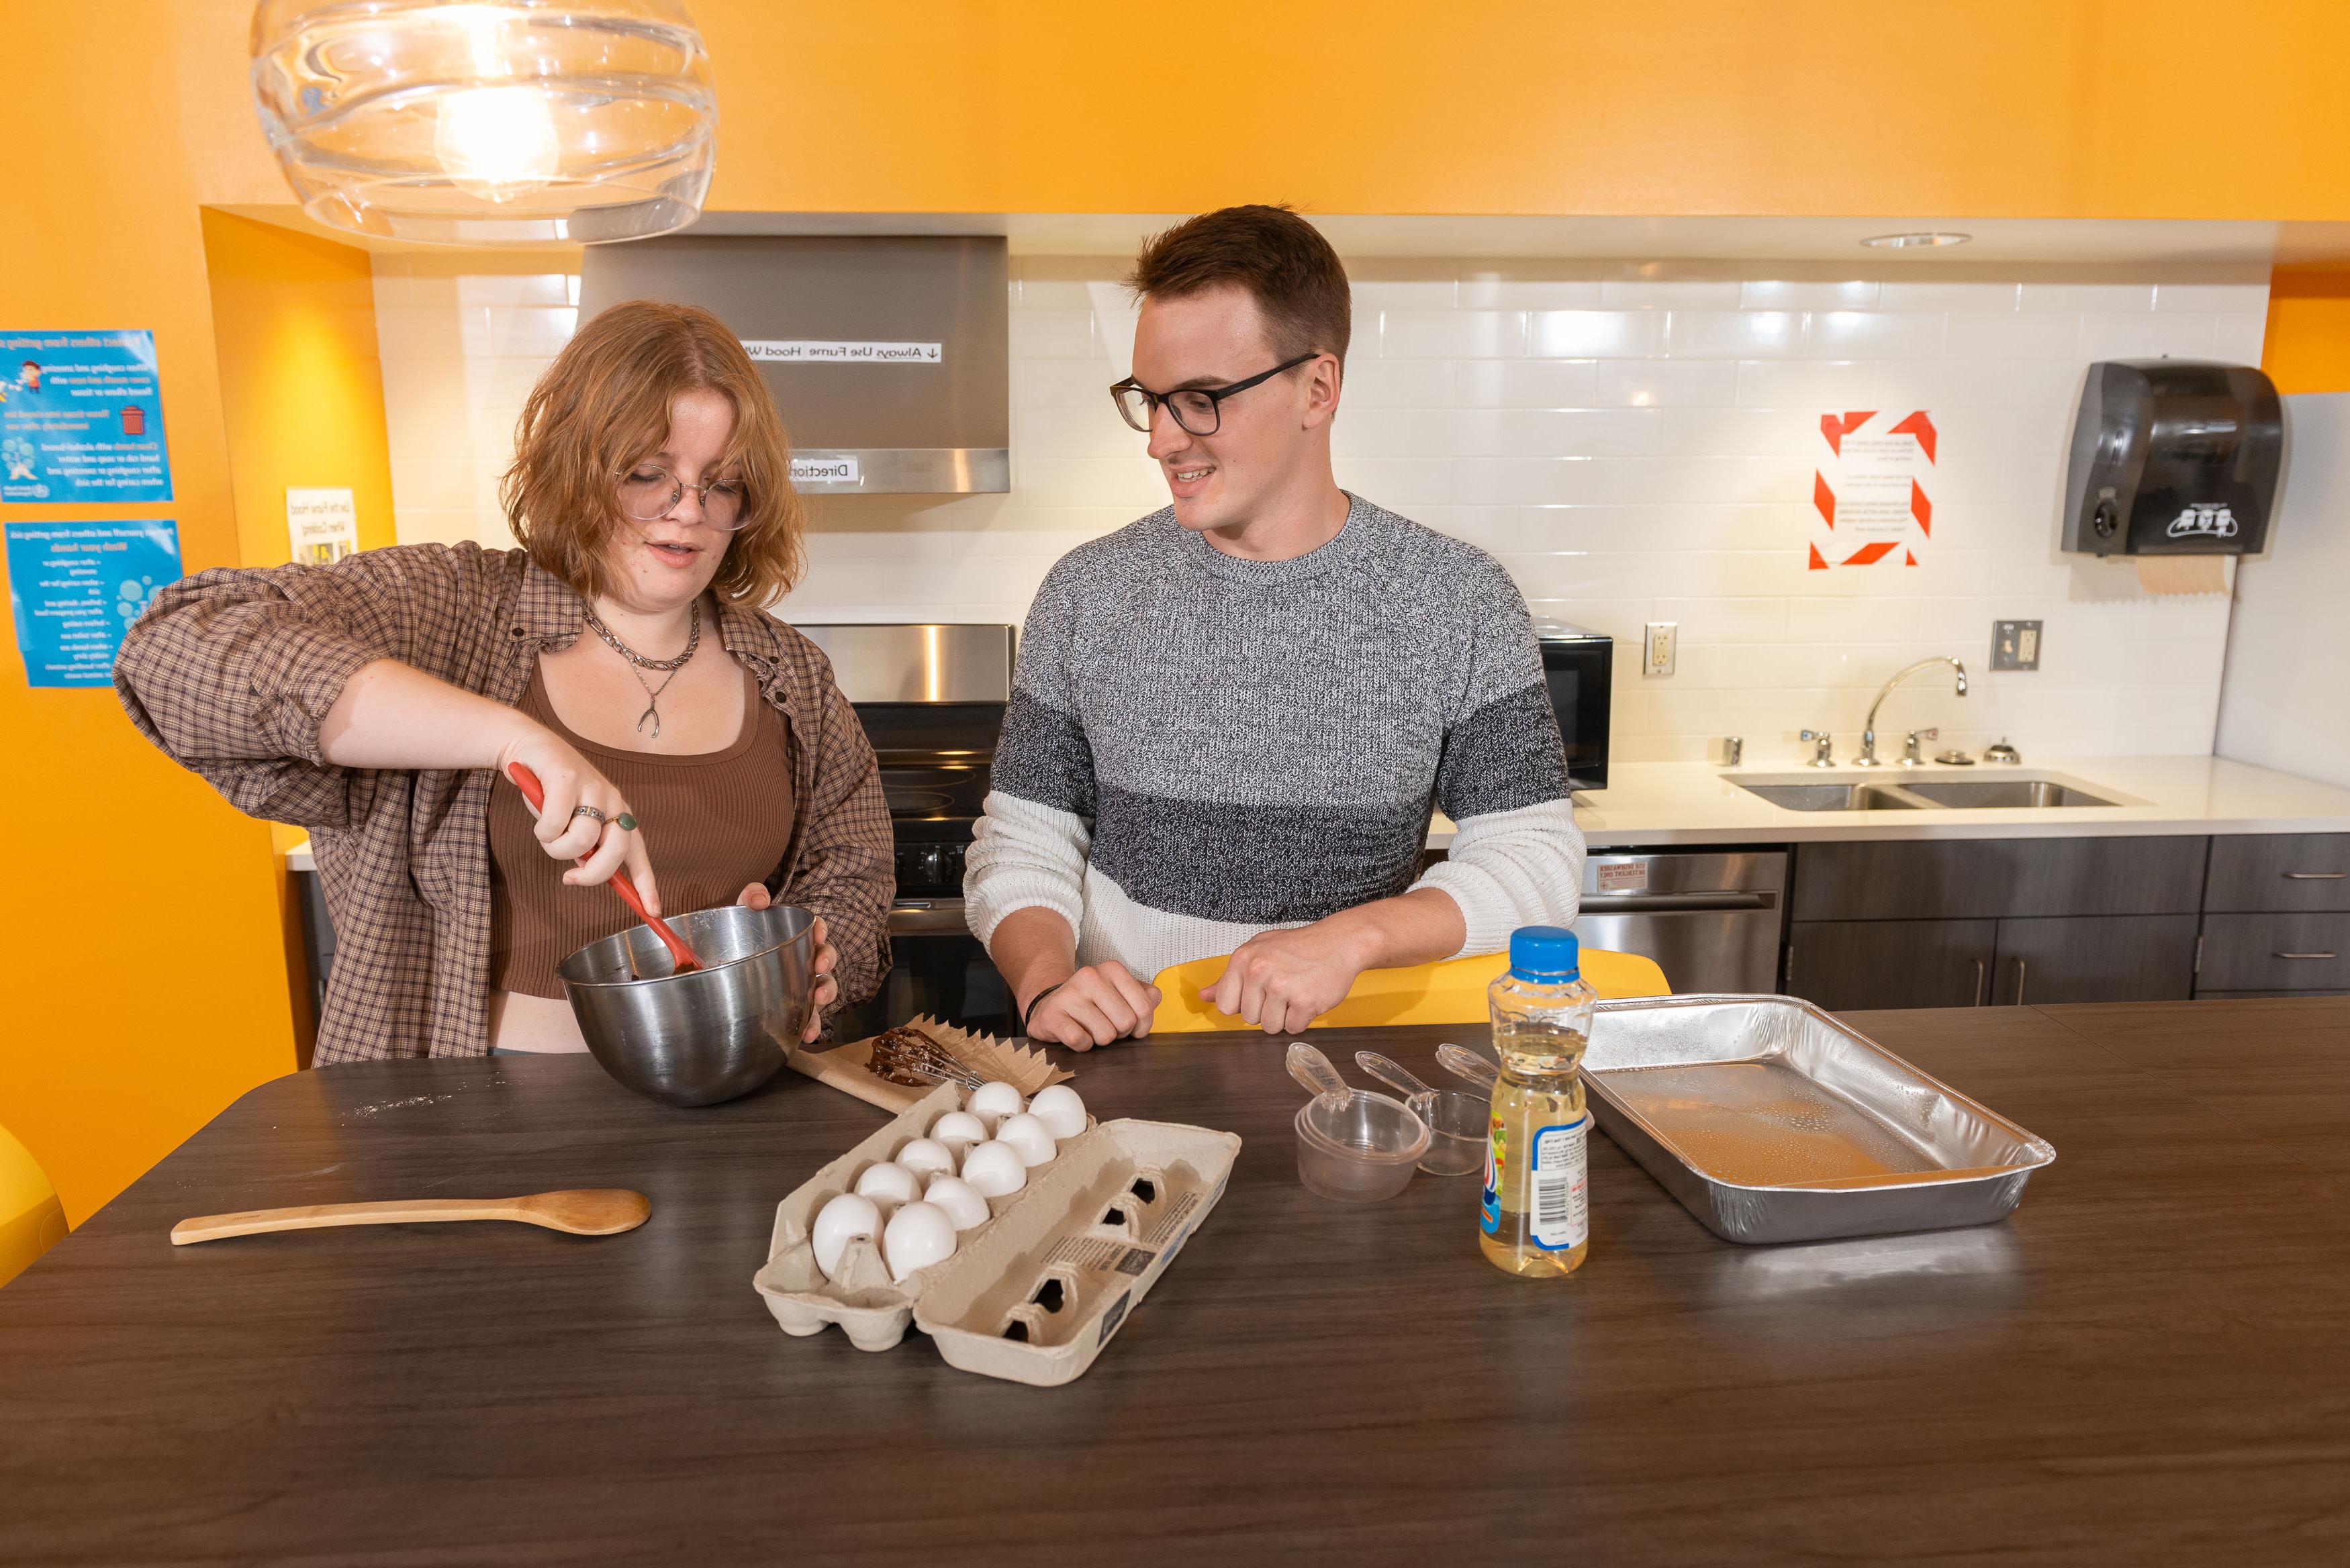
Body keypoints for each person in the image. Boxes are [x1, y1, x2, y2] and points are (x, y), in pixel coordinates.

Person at [115, 301, 892, 1061]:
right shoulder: (448, 609)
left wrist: (815, 957)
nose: (685, 512)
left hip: (730, 1095)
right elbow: (175, 649)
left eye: (720, 484)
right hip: (467, 1114)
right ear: (575, 470)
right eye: (646, 474)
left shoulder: (791, 673)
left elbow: (853, 875)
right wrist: (511, 737)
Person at [964, 204, 1584, 1048]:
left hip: (1346, 1069)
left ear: (1317, 389)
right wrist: (1045, 983)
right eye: (1150, 400)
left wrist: (1352, 937)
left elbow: (1535, 860)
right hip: (1121, 1061)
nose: (1161, 440)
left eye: (1200, 400)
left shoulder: (1455, 598)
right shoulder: (1087, 591)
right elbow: (1023, 839)